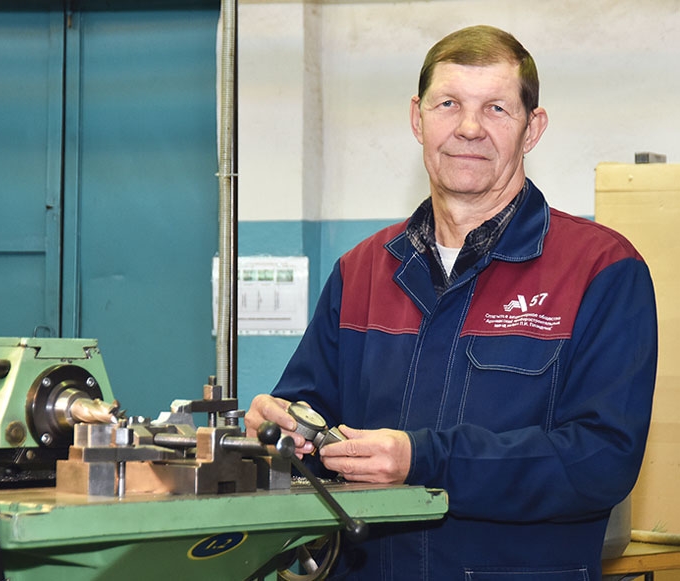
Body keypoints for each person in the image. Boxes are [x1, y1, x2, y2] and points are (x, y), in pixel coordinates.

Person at [245, 24, 658, 580]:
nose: (468, 128)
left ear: (532, 128)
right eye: (448, 104)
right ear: (417, 118)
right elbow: (306, 417)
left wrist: (425, 460)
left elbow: (601, 459)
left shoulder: (601, 270)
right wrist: (279, 430)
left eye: (496, 109)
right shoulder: (359, 272)